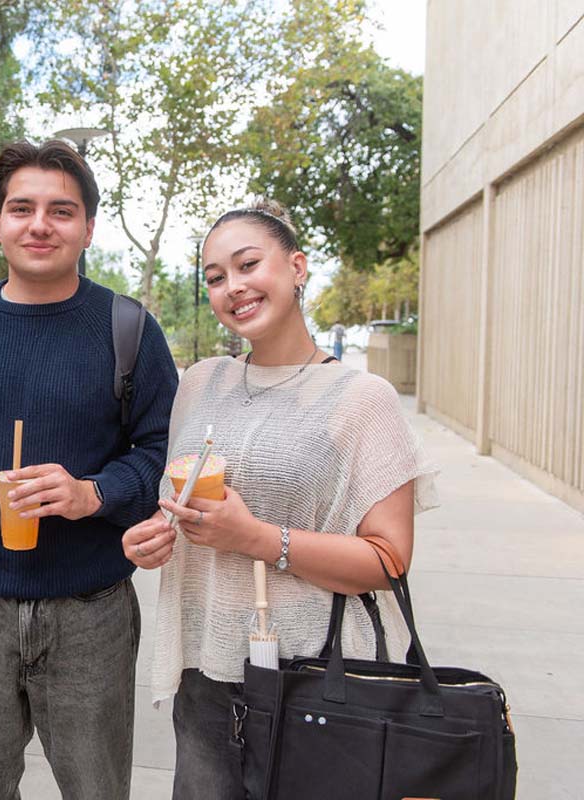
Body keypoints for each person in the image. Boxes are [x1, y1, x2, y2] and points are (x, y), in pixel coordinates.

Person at [121, 200, 438, 800]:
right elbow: (183, 502)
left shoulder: (362, 399)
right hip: (207, 674)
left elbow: (389, 559)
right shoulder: (199, 384)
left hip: (319, 678)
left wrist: (257, 539)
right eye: (215, 277)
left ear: (296, 266)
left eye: (247, 265)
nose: (232, 287)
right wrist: (155, 534)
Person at [0, 139, 179, 800]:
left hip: (89, 614)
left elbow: (161, 455)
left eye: (61, 211)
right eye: (22, 208)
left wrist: (94, 492)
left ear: (88, 228)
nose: (40, 224)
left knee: (96, 789)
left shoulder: (128, 329)